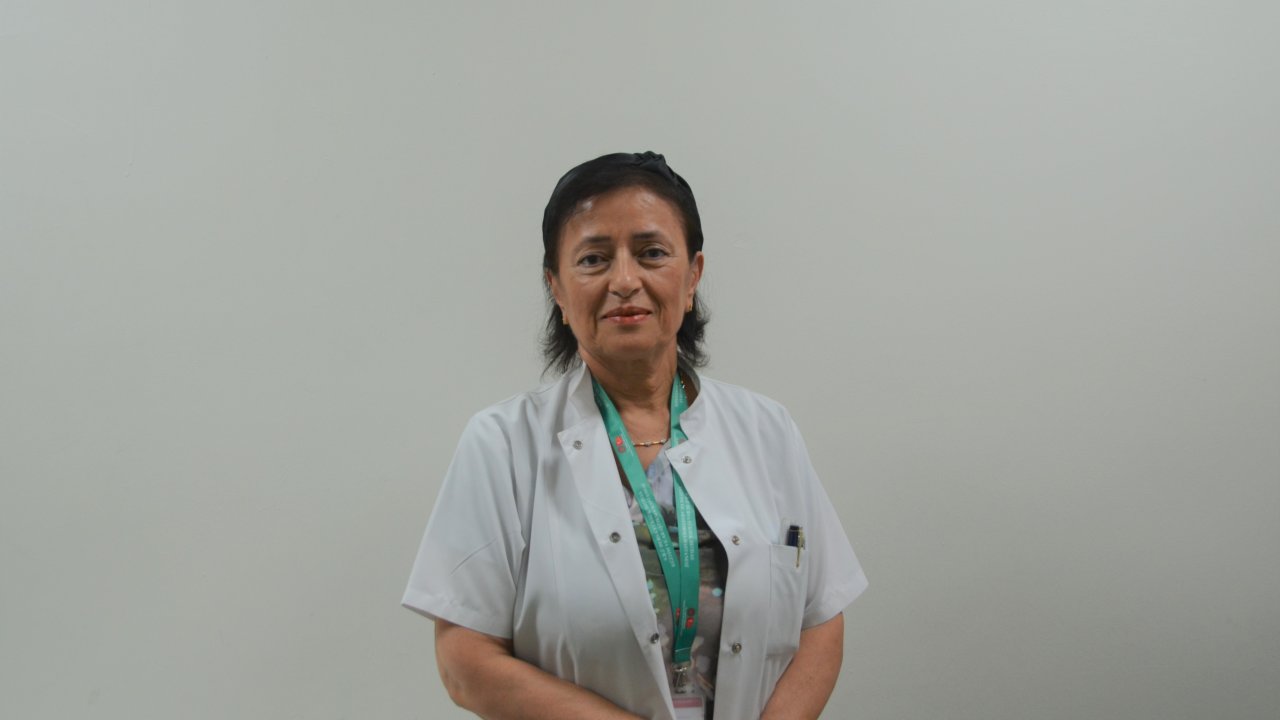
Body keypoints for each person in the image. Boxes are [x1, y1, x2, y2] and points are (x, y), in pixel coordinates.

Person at [402, 151, 867, 719]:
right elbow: (465, 661)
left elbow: (822, 618)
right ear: (556, 288)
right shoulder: (502, 444)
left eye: (651, 253)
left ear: (692, 276)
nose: (625, 281)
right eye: (594, 259)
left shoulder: (767, 430)